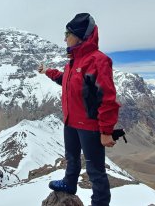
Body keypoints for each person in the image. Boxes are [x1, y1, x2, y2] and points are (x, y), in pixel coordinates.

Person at [38, 13, 120, 206]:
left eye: (67, 33)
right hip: (71, 122)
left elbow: (107, 98)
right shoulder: (73, 61)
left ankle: (100, 202)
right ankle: (69, 183)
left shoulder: (98, 60)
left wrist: (106, 131)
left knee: (95, 171)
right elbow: (65, 80)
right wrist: (47, 72)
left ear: (80, 35)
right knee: (71, 157)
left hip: (89, 126)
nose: (64, 38)